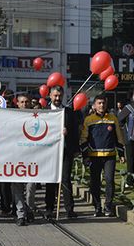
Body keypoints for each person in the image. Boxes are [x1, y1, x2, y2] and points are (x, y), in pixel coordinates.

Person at [80, 95, 125, 217]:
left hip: (110, 155)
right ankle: (97, 207)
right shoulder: (88, 120)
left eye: (103, 103)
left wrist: (121, 153)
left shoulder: (113, 118)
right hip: (94, 156)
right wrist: (85, 156)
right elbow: (83, 139)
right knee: (95, 183)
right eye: (99, 103)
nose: (101, 105)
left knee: (110, 180)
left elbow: (119, 137)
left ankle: (108, 207)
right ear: (94, 105)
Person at [44, 86, 79, 219]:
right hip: (50, 152)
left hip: (65, 151)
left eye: (59, 96)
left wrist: (75, 148)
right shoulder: (44, 112)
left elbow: (75, 131)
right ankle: (49, 209)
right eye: (55, 96)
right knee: (50, 181)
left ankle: (69, 209)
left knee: (65, 179)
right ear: (50, 96)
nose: (57, 98)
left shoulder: (69, 112)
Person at [11, 93, 37, 226]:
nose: (24, 104)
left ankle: (29, 209)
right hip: (15, 159)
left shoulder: (36, 119)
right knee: (17, 188)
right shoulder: (12, 119)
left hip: (32, 159)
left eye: (27, 102)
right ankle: (21, 214)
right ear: (17, 103)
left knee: (31, 188)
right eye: (22, 102)